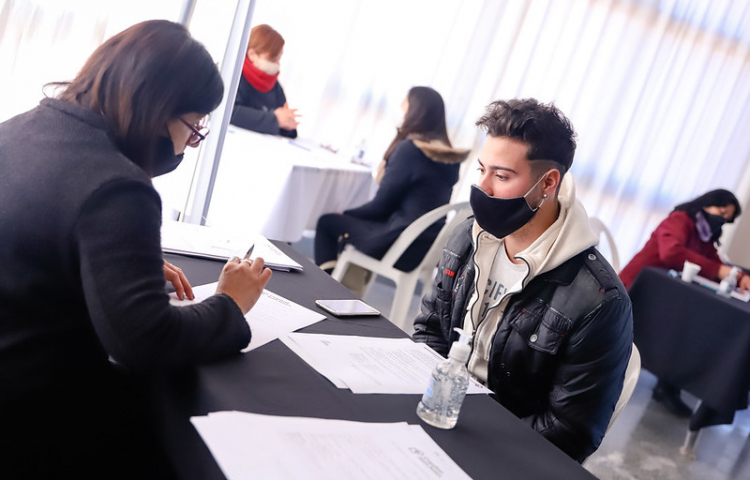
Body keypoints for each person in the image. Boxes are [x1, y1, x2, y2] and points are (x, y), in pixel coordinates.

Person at [0, 20, 272, 477]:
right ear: (160, 109)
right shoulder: (117, 185)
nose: (190, 143)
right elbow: (146, 342)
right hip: (30, 415)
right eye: (195, 128)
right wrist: (231, 303)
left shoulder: (19, 128)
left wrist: (111, 262)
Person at [412, 99, 633, 463]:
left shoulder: (599, 301)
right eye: (482, 169)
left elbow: (568, 433)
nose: (483, 188)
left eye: (501, 176)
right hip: (435, 417)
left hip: (499, 452)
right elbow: (430, 331)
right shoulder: (468, 237)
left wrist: (464, 429)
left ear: (548, 183)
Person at [619, 189, 747, 417]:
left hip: (667, 297)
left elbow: (713, 261)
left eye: (727, 218)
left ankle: (669, 384)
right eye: (721, 211)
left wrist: (737, 275)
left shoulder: (704, 233)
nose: (723, 219)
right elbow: (672, 253)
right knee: (688, 327)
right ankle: (667, 384)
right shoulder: (679, 220)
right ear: (708, 204)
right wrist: (719, 270)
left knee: (694, 325)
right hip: (639, 288)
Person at [314, 86, 469, 274]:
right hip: (426, 246)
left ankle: (325, 284)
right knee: (356, 227)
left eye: (405, 105)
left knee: (328, 222)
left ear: (414, 111)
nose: (401, 110)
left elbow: (381, 206)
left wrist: (345, 213)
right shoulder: (448, 158)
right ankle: (342, 287)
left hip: (399, 245)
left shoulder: (410, 150)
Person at [230, 24, 299, 137]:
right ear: (252, 54)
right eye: (272, 59)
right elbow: (229, 112)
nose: (277, 64)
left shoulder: (275, 86)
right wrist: (275, 119)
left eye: (278, 59)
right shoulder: (233, 75)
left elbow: (286, 129)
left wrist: (288, 123)